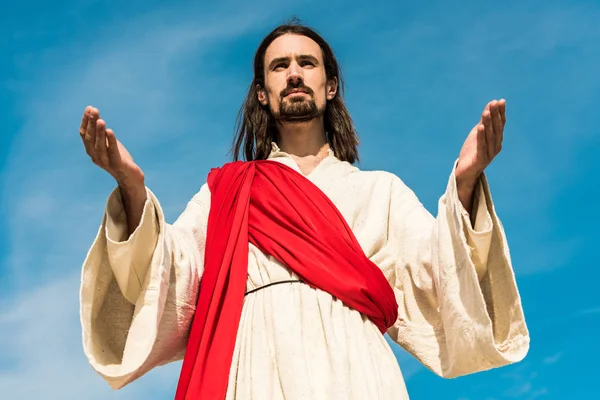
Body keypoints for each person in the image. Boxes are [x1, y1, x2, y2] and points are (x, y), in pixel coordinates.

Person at [78, 21, 529, 400]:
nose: (294, 74)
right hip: (255, 364)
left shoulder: (379, 192)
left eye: (306, 63)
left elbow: (441, 273)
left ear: (329, 85)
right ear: (262, 93)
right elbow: (172, 271)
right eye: (280, 66)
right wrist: (133, 192)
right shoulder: (228, 192)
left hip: (355, 370)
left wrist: (466, 183)